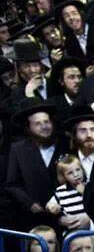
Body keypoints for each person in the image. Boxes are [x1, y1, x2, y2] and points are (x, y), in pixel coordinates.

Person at [6, 98, 64, 230]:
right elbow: (12, 184)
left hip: (64, 215)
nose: (44, 126)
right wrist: (30, 204)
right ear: (28, 128)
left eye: (47, 121)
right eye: (38, 123)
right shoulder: (18, 149)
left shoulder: (65, 144)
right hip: (33, 218)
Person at [45, 154, 91, 236]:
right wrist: (51, 206)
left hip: (91, 230)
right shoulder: (60, 191)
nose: (76, 174)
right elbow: (50, 205)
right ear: (63, 176)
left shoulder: (90, 186)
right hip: (71, 231)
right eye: (70, 173)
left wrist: (85, 192)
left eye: (78, 170)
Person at [47, 57, 86, 136]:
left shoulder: (89, 102)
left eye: (79, 77)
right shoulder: (52, 105)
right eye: (71, 77)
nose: (77, 81)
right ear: (61, 81)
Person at [65, 104, 94, 180]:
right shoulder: (67, 159)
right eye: (83, 130)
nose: (89, 135)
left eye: (93, 129)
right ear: (74, 134)